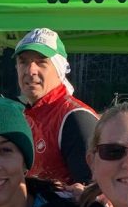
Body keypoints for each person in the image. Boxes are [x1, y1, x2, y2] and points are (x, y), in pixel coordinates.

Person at [14, 28, 97, 186]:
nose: (30, 70)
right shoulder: (25, 113)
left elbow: (93, 193)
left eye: (41, 62)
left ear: (60, 69)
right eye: (23, 61)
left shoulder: (75, 118)